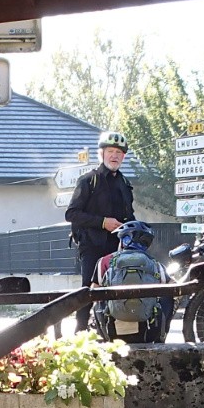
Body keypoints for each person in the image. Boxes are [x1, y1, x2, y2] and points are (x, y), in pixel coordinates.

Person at [65, 130, 136, 332]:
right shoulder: (88, 180)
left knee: (117, 289)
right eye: (110, 151)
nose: (114, 156)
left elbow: (128, 215)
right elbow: (72, 214)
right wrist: (102, 222)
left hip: (117, 247)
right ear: (102, 154)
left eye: (119, 152)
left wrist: (135, 228)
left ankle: (112, 332)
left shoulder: (125, 184)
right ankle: (79, 333)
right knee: (88, 290)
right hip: (91, 245)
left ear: (123, 157)